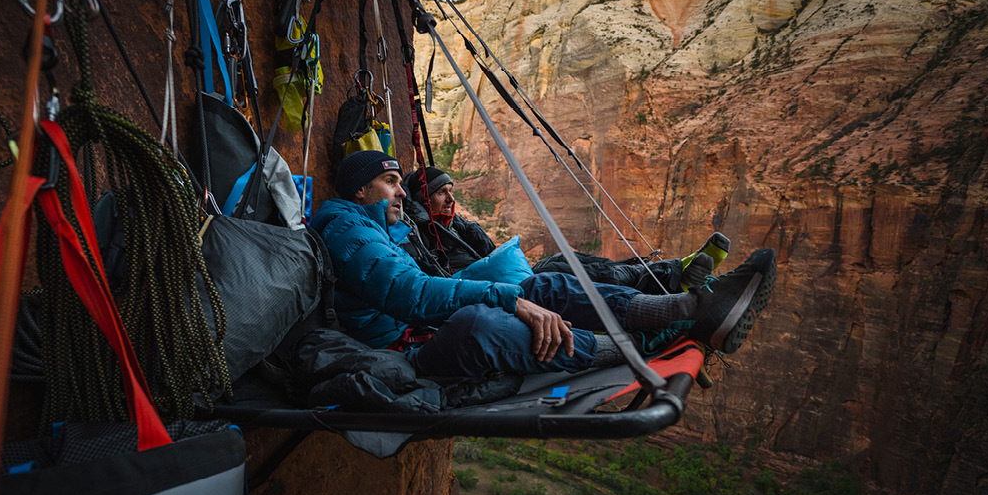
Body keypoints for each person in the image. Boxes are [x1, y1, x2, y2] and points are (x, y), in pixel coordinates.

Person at [310, 151, 777, 378]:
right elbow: (411, 296)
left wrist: (517, 295)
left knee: (548, 285)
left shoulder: (383, 229)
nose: (399, 192)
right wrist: (508, 298)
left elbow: (427, 284)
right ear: (359, 191)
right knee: (480, 326)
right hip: (401, 349)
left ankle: (691, 306)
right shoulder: (347, 231)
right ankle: (658, 338)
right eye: (389, 182)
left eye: (399, 182)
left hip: (420, 328)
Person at [400, 166, 721, 294]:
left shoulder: (456, 227)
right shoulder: (418, 233)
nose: (451, 199)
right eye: (443, 192)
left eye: (451, 191)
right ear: (423, 196)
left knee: (568, 259)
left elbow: (491, 254)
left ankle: (671, 269)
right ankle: (669, 278)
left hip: (502, 277)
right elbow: (432, 278)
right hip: (485, 290)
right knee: (559, 270)